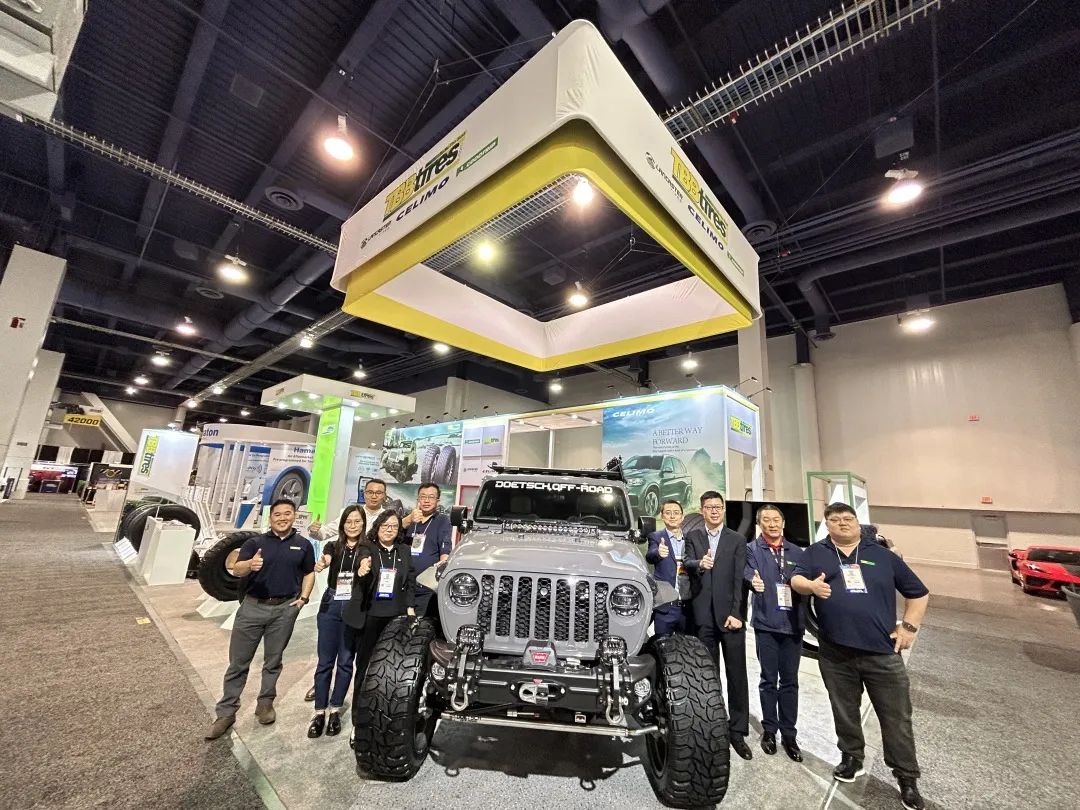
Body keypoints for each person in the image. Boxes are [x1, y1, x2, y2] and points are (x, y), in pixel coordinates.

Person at [790, 502, 930, 810]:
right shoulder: (815, 553)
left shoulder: (882, 556)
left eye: (847, 518)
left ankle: (906, 777)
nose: (842, 523)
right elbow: (796, 581)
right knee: (844, 709)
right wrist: (811, 586)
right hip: (835, 651)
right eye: (835, 520)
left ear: (857, 522)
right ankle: (851, 757)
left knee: (896, 717)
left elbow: (918, 593)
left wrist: (908, 627)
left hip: (882, 653)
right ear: (827, 525)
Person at [206, 498, 315, 740]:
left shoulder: (303, 545)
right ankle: (226, 712)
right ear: (271, 517)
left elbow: (309, 572)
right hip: (252, 608)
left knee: (273, 661)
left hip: (284, 609)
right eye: (278, 514)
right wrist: (250, 564)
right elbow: (237, 569)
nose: (282, 518)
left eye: (287, 513)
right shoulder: (255, 543)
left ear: (294, 516)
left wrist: (303, 599)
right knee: (238, 663)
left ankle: (265, 703)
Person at [685, 491, 752, 760]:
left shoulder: (736, 539)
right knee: (708, 676)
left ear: (723, 510)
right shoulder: (694, 536)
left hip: (730, 618)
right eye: (709, 507)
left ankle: (737, 731)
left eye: (718, 507)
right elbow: (688, 562)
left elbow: (739, 580)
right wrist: (699, 564)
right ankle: (712, 726)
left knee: (736, 676)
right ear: (702, 510)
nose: (714, 511)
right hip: (703, 618)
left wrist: (737, 613)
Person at [343, 510, 416, 745]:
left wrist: (410, 608)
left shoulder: (403, 551)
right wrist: (363, 567)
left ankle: (388, 719)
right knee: (365, 670)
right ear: (378, 527)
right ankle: (359, 723)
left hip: (397, 617)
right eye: (385, 525)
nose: (389, 530)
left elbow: (410, 581)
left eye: (394, 526)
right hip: (371, 616)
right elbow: (362, 560)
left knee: (393, 671)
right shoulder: (368, 547)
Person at [745, 504, 805, 761]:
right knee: (768, 679)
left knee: (790, 681)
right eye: (766, 520)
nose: (772, 524)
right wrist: (751, 579)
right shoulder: (752, 549)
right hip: (766, 623)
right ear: (760, 524)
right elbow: (746, 571)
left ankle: (789, 734)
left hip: (793, 624)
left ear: (783, 523)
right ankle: (770, 729)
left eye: (776, 519)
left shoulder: (797, 552)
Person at [306, 506, 372, 739]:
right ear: (342, 524)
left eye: (357, 521)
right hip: (331, 603)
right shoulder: (333, 546)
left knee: (345, 661)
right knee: (325, 661)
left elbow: (365, 560)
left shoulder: (367, 548)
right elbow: (327, 558)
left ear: (363, 524)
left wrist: (364, 567)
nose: (353, 525)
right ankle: (319, 712)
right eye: (348, 521)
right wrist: (322, 563)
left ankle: (335, 709)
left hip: (353, 604)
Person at [403, 482, 452, 617]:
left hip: (426, 587)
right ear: (418, 499)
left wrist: (443, 564)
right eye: (423, 496)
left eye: (431, 497)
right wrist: (409, 520)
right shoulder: (409, 518)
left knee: (422, 623)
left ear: (437, 501)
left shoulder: (442, 520)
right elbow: (392, 533)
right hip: (404, 584)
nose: (426, 500)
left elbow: (445, 547)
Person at [645, 500, 693, 635]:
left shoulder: (691, 538)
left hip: (687, 607)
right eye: (668, 513)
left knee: (686, 645)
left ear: (682, 517)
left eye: (676, 513)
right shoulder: (656, 537)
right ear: (662, 516)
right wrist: (658, 553)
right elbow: (650, 556)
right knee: (662, 644)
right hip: (666, 607)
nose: (672, 516)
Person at [307, 478, 393, 542]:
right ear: (364, 494)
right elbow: (324, 534)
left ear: (385, 496)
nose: (374, 496)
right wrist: (314, 531)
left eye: (378, 493)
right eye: (370, 492)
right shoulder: (351, 513)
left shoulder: (390, 518)